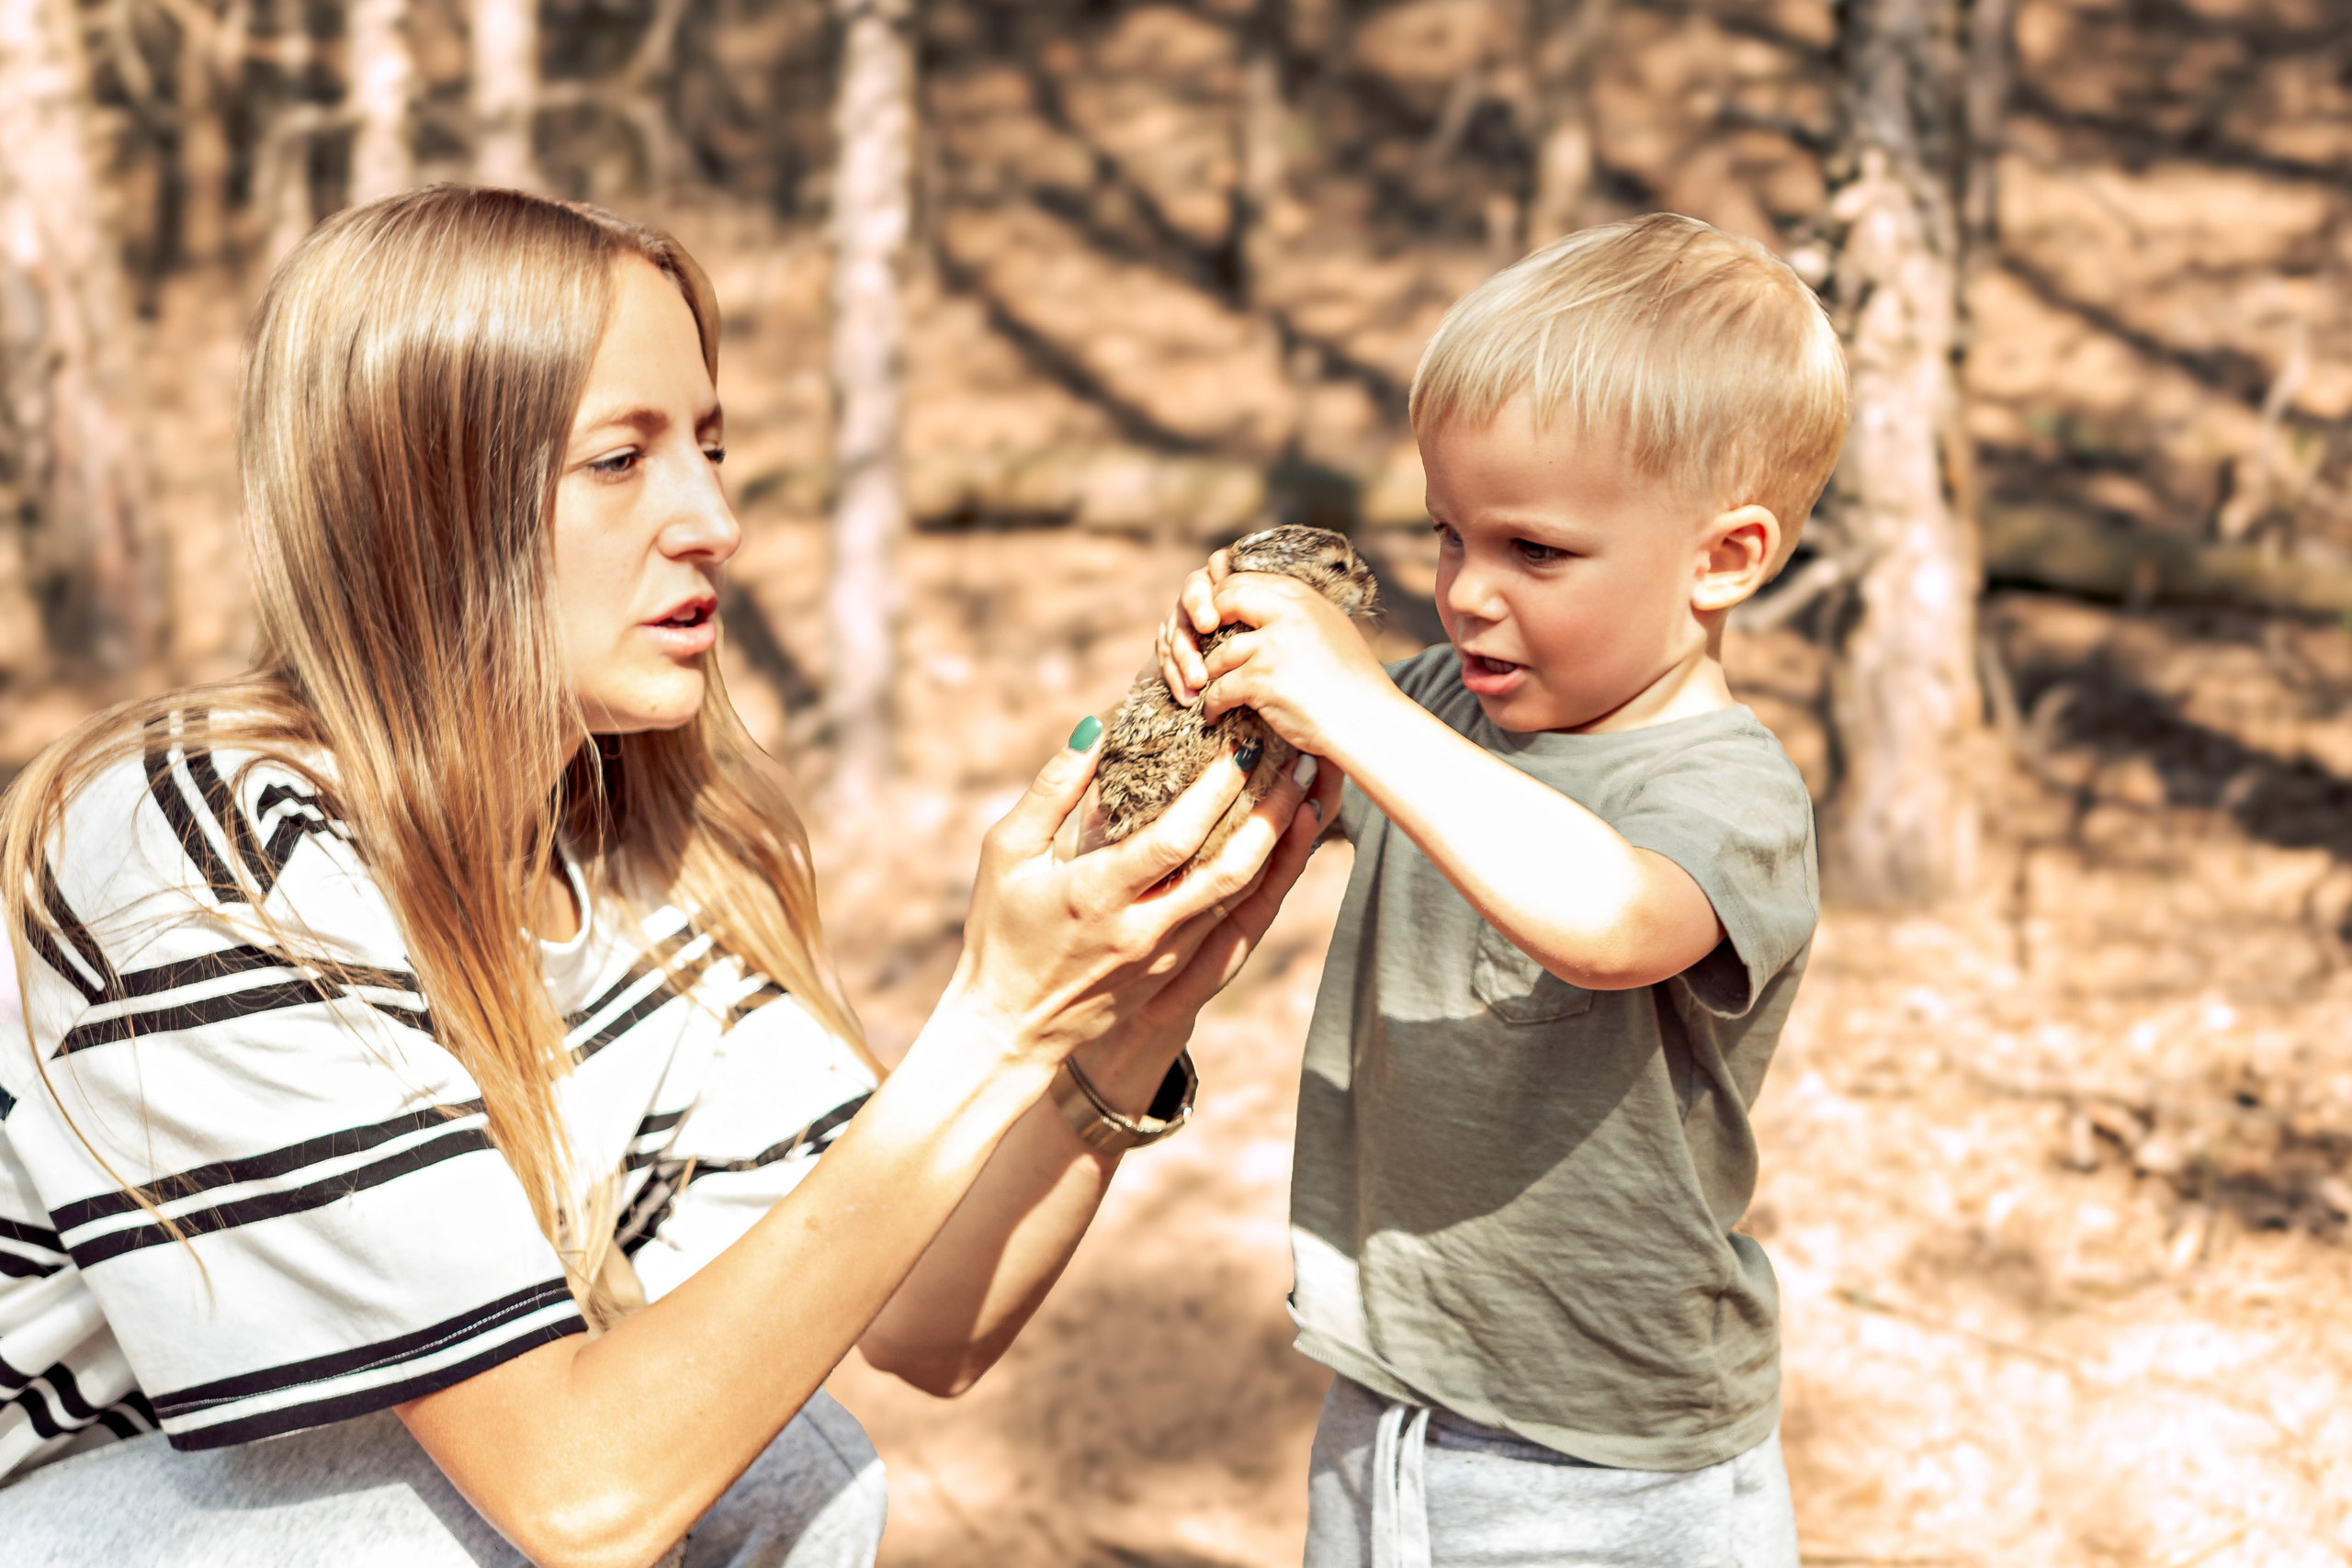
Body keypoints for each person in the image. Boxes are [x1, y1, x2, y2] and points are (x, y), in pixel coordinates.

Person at [0, 186, 1337, 1567]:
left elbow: (926, 1321)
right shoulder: (206, 838)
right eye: (619, 461)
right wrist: (991, 1022)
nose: (714, 522)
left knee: (796, 1472)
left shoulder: (637, 850)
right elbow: (579, 1497)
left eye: (709, 445)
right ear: (425, 503)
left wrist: (1127, 1008)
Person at [1156, 213, 1850, 1567]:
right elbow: (1274, 774)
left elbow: (1608, 923)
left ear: (1724, 559)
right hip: (1391, 1400)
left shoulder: (1726, 795)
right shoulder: (1439, 714)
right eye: (1446, 536)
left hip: (1610, 1458)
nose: (1468, 594)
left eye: (1535, 553)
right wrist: (1222, 660)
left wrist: (1357, 708)